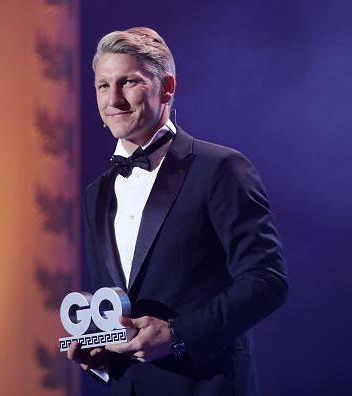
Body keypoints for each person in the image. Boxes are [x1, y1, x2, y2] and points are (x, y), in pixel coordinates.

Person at [66, 27, 288, 396]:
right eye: (103, 86)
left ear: (167, 87)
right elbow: (116, 304)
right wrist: (101, 352)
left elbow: (267, 280)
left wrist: (177, 336)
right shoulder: (96, 193)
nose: (114, 99)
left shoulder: (220, 168)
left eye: (129, 83)